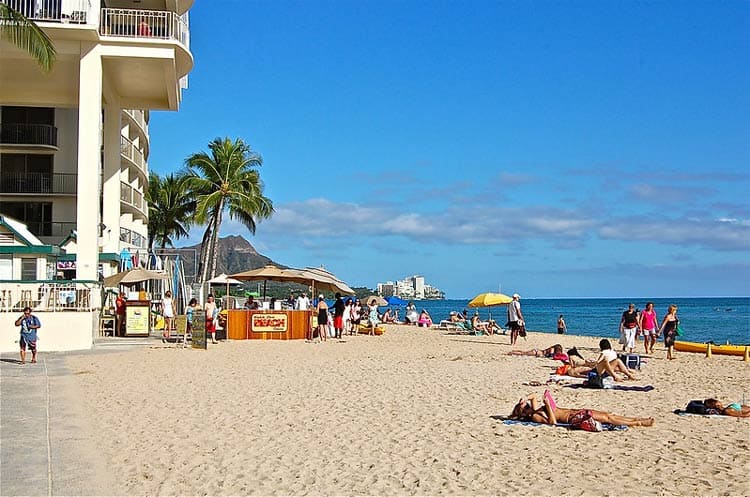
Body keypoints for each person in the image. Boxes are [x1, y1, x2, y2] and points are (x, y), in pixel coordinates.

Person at [509, 392, 654, 427]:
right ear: (523, 413)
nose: (527, 405)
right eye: (524, 407)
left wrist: (525, 399)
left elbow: (534, 396)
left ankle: (636, 419)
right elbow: (553, 423)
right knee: (607, 419)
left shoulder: (534, 409)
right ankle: (638, 423)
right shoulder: (535, 416)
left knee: (608, 415)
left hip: (576, 410)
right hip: (573, 418)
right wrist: (547, 406)